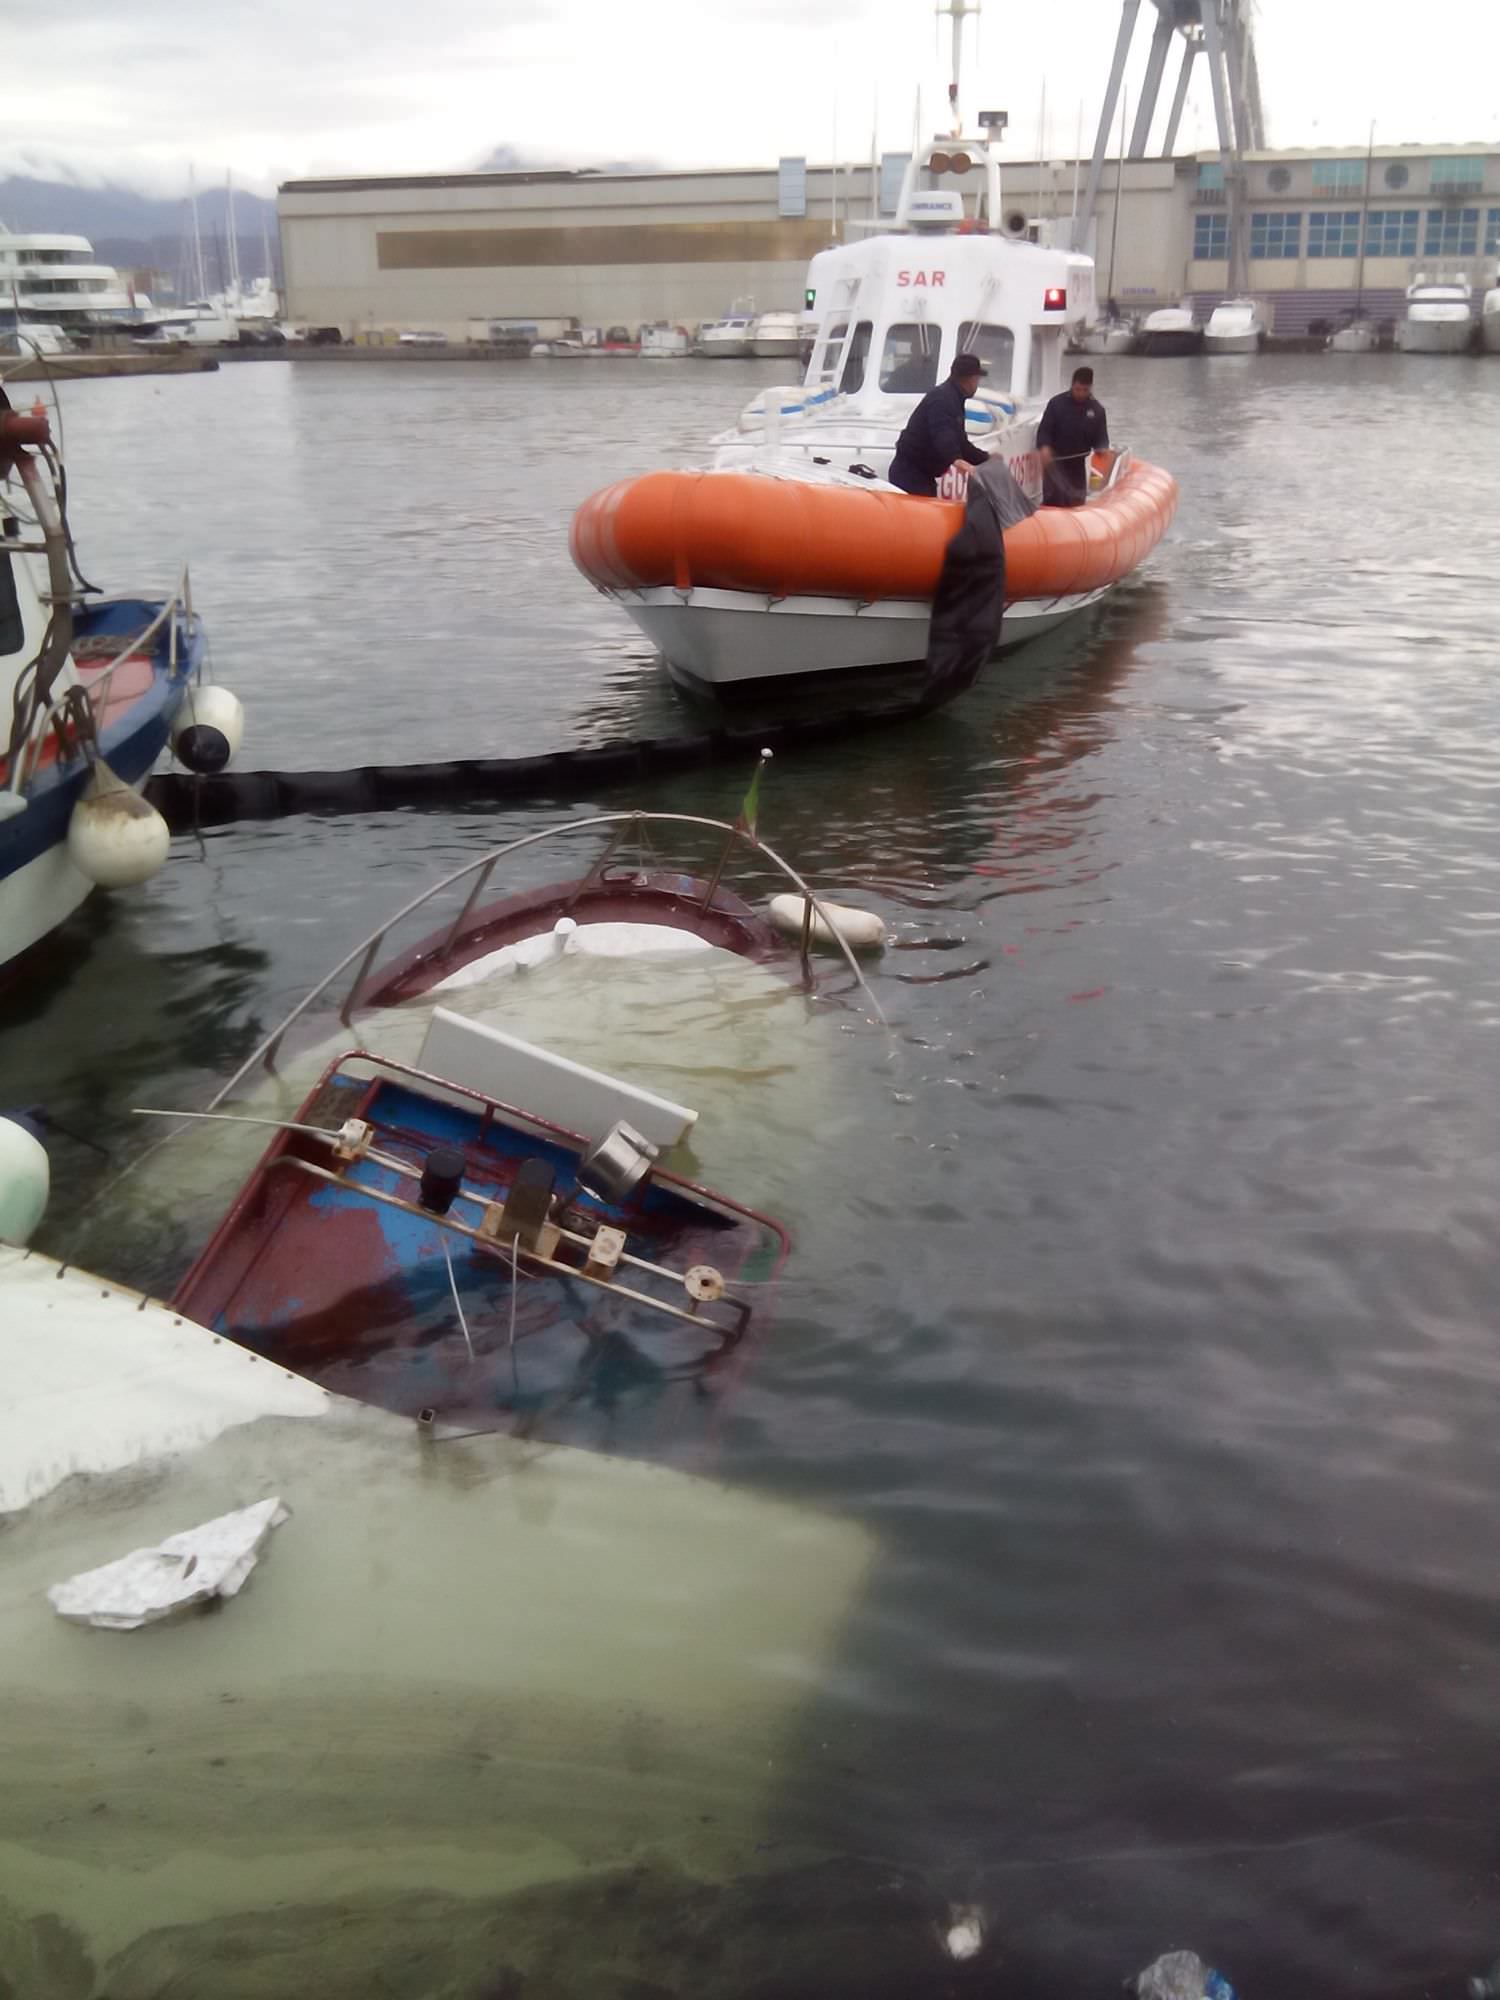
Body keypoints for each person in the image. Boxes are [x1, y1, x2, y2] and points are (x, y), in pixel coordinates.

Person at [888, 354, 992, 497]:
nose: (977, 384)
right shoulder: (942, 398)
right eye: (977, 380)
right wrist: (956, 459)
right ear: (971, 379)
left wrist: (986, 458)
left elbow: (961, 443)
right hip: (910, 474)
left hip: (923, 475)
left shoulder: (954, 397)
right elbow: (942, 432)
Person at [1036, 365, 1109, 508]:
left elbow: (1101, 439)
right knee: (1053, 500)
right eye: (1077, 389)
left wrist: (1102, 449)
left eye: (1085, 390)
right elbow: (1044, 430)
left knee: (1076, 501)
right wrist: (1044, 447)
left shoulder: (1097, 410)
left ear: (1090, 388)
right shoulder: (1056, 404)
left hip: (1077, 464)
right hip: (1055, 462)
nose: (1081, 394)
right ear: (1072, 385)